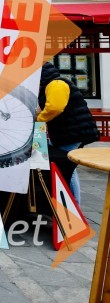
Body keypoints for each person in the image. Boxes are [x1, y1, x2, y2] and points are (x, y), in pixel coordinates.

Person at [38, 62, 100, 204]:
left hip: (72, 134)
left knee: (67, 170)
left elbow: (54, 108)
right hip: (68, 133)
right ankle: (71, 204)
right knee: (68, 168)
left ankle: (73, 204)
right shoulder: (53, 84)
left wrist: (38, 119)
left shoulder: (56, 84)